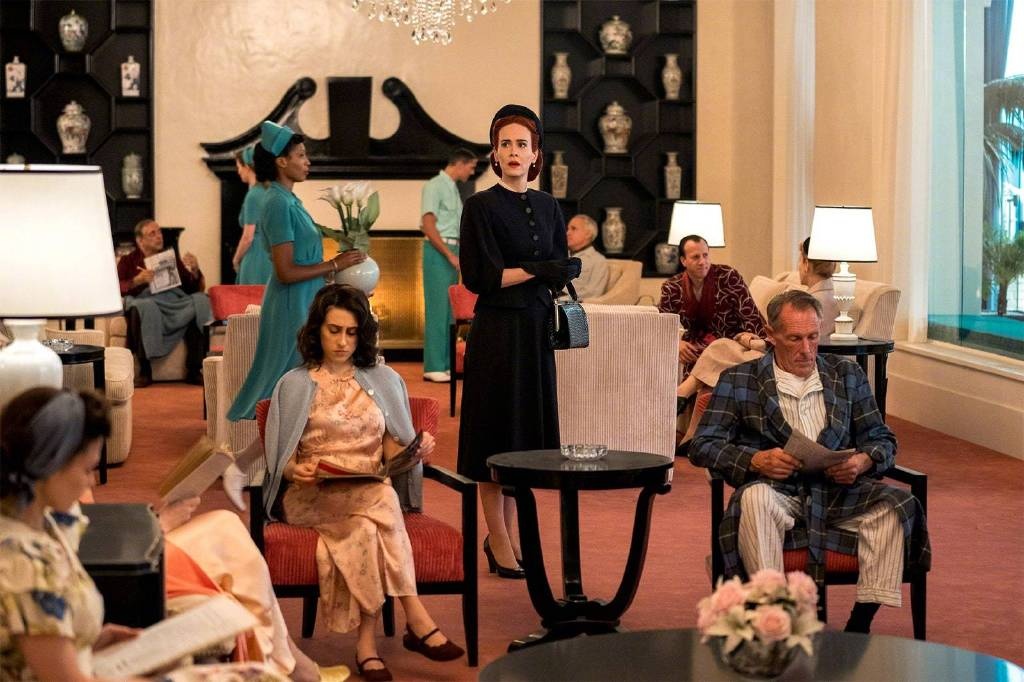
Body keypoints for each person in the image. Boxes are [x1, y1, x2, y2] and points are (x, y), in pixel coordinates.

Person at [0, 387, 288, 682]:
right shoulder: (27, 564)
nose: (91, 481)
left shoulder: (42, 525)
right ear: (51, 466)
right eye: (87, 469)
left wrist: (96, 641)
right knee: (261, 677)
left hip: (90, 667)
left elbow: (42, 646)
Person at [688, 290, 930, 634]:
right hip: (775, 491)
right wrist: (755, 460)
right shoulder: (739, 380)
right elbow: (702, 445)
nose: (806, 349)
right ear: (771, 335)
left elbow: (882, 439)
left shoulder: (846, 374)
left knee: (897, 507)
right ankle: (774, 613)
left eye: (813, 337)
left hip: (838, 492)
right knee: (754, 499)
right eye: (795, 339)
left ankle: (860, 624)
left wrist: (862, 462)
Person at [258, 284, 464, 681]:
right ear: (317, 330)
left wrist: (415, 450)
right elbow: (280, 459)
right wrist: (294, 471)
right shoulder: (294, 384)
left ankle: (366, 646)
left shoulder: (383, 380)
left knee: (369, 523)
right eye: (334, 330)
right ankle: (416, 615)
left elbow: (391, 450)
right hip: (311, 494)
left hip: (366, 491)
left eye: (351, 333)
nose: (342, 341)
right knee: (381, 501)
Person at [458, 104, 580, 578]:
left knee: (522, 437)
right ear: (494, 153)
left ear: (535, 155)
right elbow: (482, 278)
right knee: (493, 435)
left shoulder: (549, 206)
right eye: (505, 143)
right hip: (496, 332)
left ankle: (504, 538)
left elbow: (558, 269)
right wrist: (536, 269)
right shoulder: (480, 207)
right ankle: (500, 539)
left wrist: (552, 271)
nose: (513, 151)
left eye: (521, 144)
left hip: (535, 331)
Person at [227, 121, 366, 424]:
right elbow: (286, 272)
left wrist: (335, 272)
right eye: (301, 155)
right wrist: (335, 265)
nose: (308, 162)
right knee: (290, 381)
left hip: (305, 298)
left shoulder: (290, 200)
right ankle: (266, 448)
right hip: (291, 304)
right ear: (281, 161)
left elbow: (303, 261)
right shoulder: (277, 203)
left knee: (303, 384)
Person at [117, 218, 211, 387]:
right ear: (140, 240)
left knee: (200, 301)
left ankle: (194, 369)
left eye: (159, 232)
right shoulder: (127, 261)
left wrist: (195, 270)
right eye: (152, 234)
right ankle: (145, 371)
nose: (159, 236)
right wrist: (137, 281)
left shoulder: (169, 258)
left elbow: (191, 288)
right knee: (143, 307)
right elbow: (117, 287)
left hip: (173, 300)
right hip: (145, 300)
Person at [657, 234, 766, 378]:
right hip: (694, 347)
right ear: (683, 260)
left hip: (729, 343)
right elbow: (661, 325)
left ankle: (686, 391)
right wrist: (676, 342)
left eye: (705, 255)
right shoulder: (672, 287)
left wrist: (752, 340)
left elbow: (751, 315)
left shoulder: (728, 277)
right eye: (696, 257)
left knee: (710, 360)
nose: (702, 262)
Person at [419, 147, 478, 383]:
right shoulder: (434, 185)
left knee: (450, 312)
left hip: (452, 250)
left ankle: (445, 364)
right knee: (437, 308)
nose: (472, 172)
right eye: (471, 167)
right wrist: (449, 255)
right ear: (460, 163)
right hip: (438, 250)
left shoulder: (452, 187)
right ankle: (433, 365)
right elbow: (427, 224)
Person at [231, 145, 274, 285]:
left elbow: (247, 237)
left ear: (247, 167)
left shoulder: (253, 195)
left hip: (255, 256)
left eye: (239, 167)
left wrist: (236, 259)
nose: (238, 171)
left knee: (250, 297)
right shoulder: (270, 191)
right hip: (271, 256)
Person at [799, 236, 839, 337]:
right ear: (834, 265)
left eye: (799, 260)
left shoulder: (802, 305)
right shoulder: (846, 303)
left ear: (806, 264)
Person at [567, 214, 609, 300]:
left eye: (574, 229)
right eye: (568, 229)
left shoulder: (598, 260)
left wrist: (558, 299)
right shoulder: (560, 256)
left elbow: (593, 292)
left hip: (566, 303)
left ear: (588, 234)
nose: (568, 233)